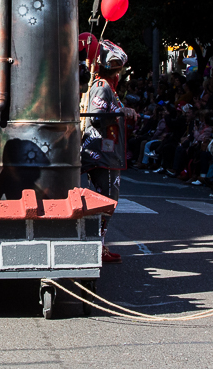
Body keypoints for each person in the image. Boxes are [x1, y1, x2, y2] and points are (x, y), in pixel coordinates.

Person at [81, 41, 138, 264]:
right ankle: (97, 245)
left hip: (106, 153)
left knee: (108, 199)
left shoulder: (106, 87)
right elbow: (96, 116)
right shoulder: (102, 86)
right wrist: (122, 112)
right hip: (100, 155)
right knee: (106, 200)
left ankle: (99, 244)